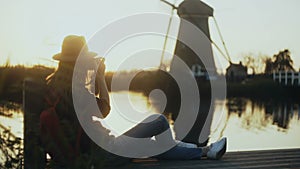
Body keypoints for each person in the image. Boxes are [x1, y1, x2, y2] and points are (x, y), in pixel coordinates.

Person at [40, 35, 227, 168]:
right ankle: (189, 147)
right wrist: (100, 77)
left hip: (94, 155)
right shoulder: (77, 91)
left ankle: (205, 151)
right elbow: (104, 109)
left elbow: (93, 107)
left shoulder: (55, 88)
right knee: (159, 120)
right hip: (107, 155)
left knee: (152, 146)